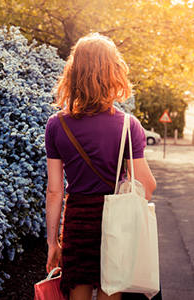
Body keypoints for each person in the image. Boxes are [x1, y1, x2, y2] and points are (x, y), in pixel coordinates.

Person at [44, 33, 157, 300]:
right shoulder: (129, 126)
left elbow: (54, 193)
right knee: (112, 290)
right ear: (113, 73)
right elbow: (148, 188)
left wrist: (52, 243)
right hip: (117, 224)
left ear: (73, 74)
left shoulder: (56, 125)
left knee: (78, 292)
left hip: (77, 223)